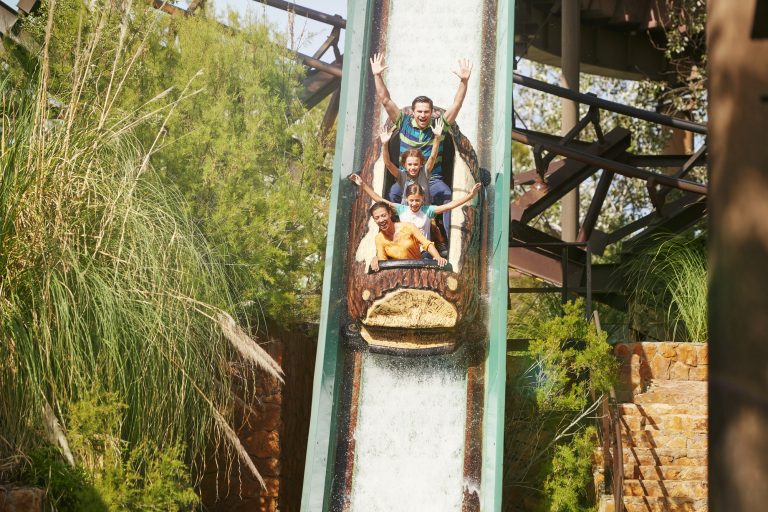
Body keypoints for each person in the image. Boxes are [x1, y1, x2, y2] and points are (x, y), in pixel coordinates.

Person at [369, 52, 473, 232]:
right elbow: (385, 99)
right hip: (405, 179)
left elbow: (456, 104)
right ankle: (394, 234)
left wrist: (464, 81)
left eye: (426, 112)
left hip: (432, 178)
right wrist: (377, 75)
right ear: (414, 112)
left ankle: (447, 236)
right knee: (393, 193)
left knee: (445, 193)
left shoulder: (438, 125)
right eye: (420, 112)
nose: (423, 115)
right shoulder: (403, 123)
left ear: (432, 112)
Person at [349, 174, 482, 258]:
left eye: (417, 200)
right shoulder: (402, 209)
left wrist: (470, 195)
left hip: (424, 250)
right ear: (407, 199)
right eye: (411, 200)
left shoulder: (427, 210)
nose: (414, 203)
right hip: (405, 249)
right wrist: (363, 185)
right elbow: (379, 200)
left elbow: (448, 206)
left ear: (422, 199)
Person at [365, 201, 446, 272]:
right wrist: (375, 259)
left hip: (417, 270)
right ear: (374, 219)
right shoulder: (379, 238)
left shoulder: (408, 227)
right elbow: (382, 259)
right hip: (397, 274)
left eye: (383, 215)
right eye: (377, 218)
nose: (381, 220)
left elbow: (426, 244)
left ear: (390, 214)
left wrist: (437, 257)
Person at [380, 120, 444, 206]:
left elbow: (432, 157)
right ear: (404, 165)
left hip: (423, 212)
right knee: (392, 193)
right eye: (409, 164)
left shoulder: (424, 172)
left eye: (416, 164)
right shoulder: (402, 175)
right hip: (407, 212)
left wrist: (437, 137)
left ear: (421, 164)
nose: (413, 167)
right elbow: (388, 164)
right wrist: (384, 144)